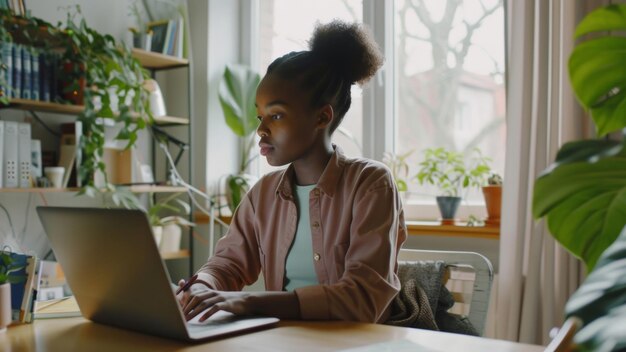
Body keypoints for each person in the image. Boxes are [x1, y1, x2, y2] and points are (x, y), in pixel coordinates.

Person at [177, 20, 407, 323]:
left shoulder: (371, 183)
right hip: (285, 340)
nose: (260, 129)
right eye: (260, 116)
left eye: (276, 115)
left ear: (322, 116)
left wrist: (251, 301)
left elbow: (362, 300)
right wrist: (203, 287)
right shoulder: (263, 193)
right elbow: (227, 265)